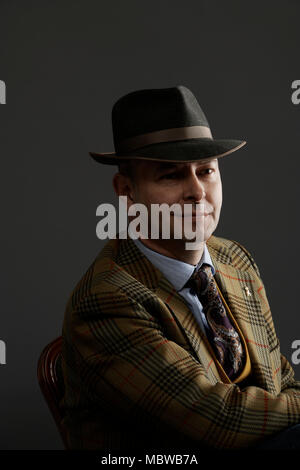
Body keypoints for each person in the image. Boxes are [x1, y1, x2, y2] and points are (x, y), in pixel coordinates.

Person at [60, 85, 300, 451]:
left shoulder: (234, 260)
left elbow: (281, 378)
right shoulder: (105, 299)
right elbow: (218, 421)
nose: (197, 192)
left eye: (206, 171)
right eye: (171, 175)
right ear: (126, 191)